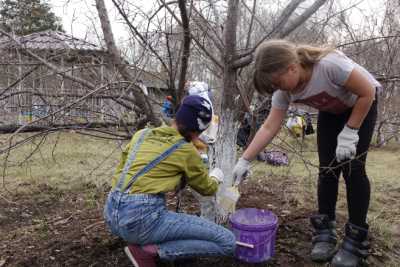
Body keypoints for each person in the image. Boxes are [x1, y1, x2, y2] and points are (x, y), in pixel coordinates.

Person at [232, 39, 380, 267]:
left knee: (353, 170)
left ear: (291, 67)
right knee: (326, 170)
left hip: (362, 104)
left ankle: (356, 240)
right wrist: (244, 159)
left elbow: (367, 92)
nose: (279, 89)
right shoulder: (285, 92)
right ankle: (325, 231)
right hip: (331, 112)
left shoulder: (330, 65)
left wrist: (350, 131)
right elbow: (270, 127)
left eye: (278, 82)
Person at [104, 95, 236, 267]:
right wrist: (216, 176)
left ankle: (142, 241)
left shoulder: (141, 134)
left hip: (112, 212)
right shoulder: (186, 150)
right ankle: (149, 251)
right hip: (143, 219)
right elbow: (207, 189)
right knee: (227, 242)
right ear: (198, 131)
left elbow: (123, 170)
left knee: (184, 228)